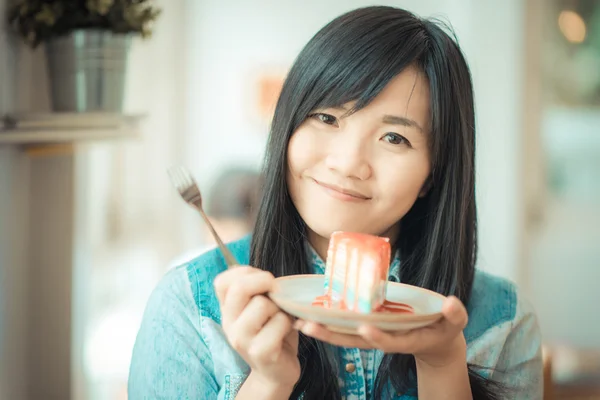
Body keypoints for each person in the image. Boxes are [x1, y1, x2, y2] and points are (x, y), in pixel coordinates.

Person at [128, 6, 543, 400]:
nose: (348, 164)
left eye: (394, 138)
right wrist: (269, 383)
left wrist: (442, 365)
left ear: (432, 174)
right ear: (288, 124)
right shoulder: (187, 307)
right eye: (327, 117)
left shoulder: (503, 322)